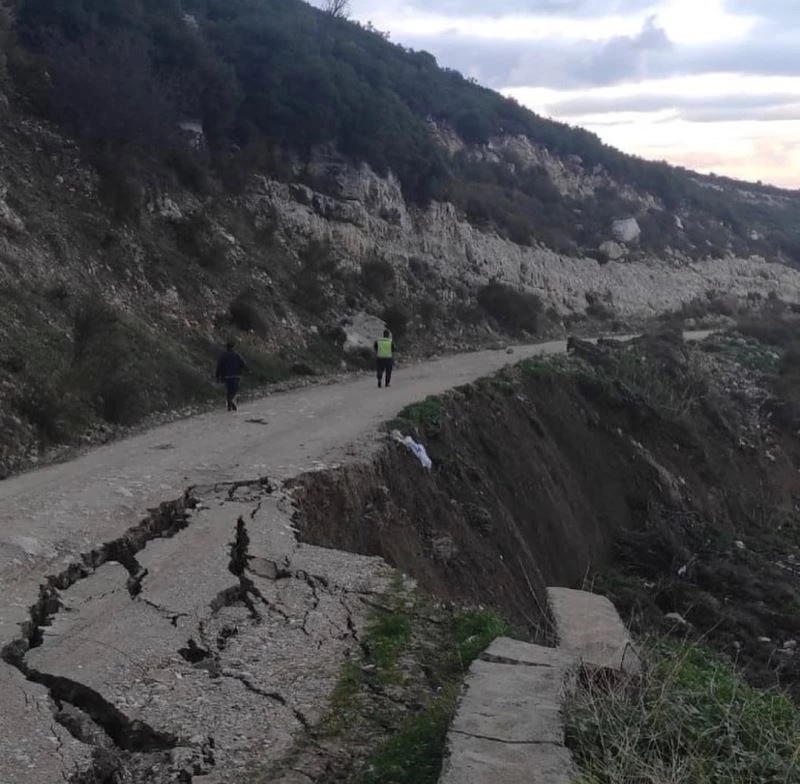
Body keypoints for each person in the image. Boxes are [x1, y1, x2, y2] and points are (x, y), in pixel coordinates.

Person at [215, 340, 249, 411]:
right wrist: (247, 371)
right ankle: (231, 401)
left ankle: (229, 405)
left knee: (229, 390)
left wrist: (217, 376)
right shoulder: (236, 355)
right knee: (235, 390)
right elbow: (243, 364)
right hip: (235, 376)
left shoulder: (223, 356)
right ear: (233, 347)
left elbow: (219, 367)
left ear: (226, 348)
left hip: (226, 377)